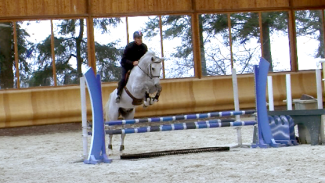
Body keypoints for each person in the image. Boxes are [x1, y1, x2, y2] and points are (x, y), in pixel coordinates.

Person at [116, 30, 148, 103]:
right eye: (138, 38)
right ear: (135, 39)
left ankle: (147, 95)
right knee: (124, 78)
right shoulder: (129, 47)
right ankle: (119, 94)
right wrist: (132, 63)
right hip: (127, 66)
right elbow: (123, 60)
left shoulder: (144, 47)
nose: (140, 39)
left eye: (141, 38)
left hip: (139, 67)